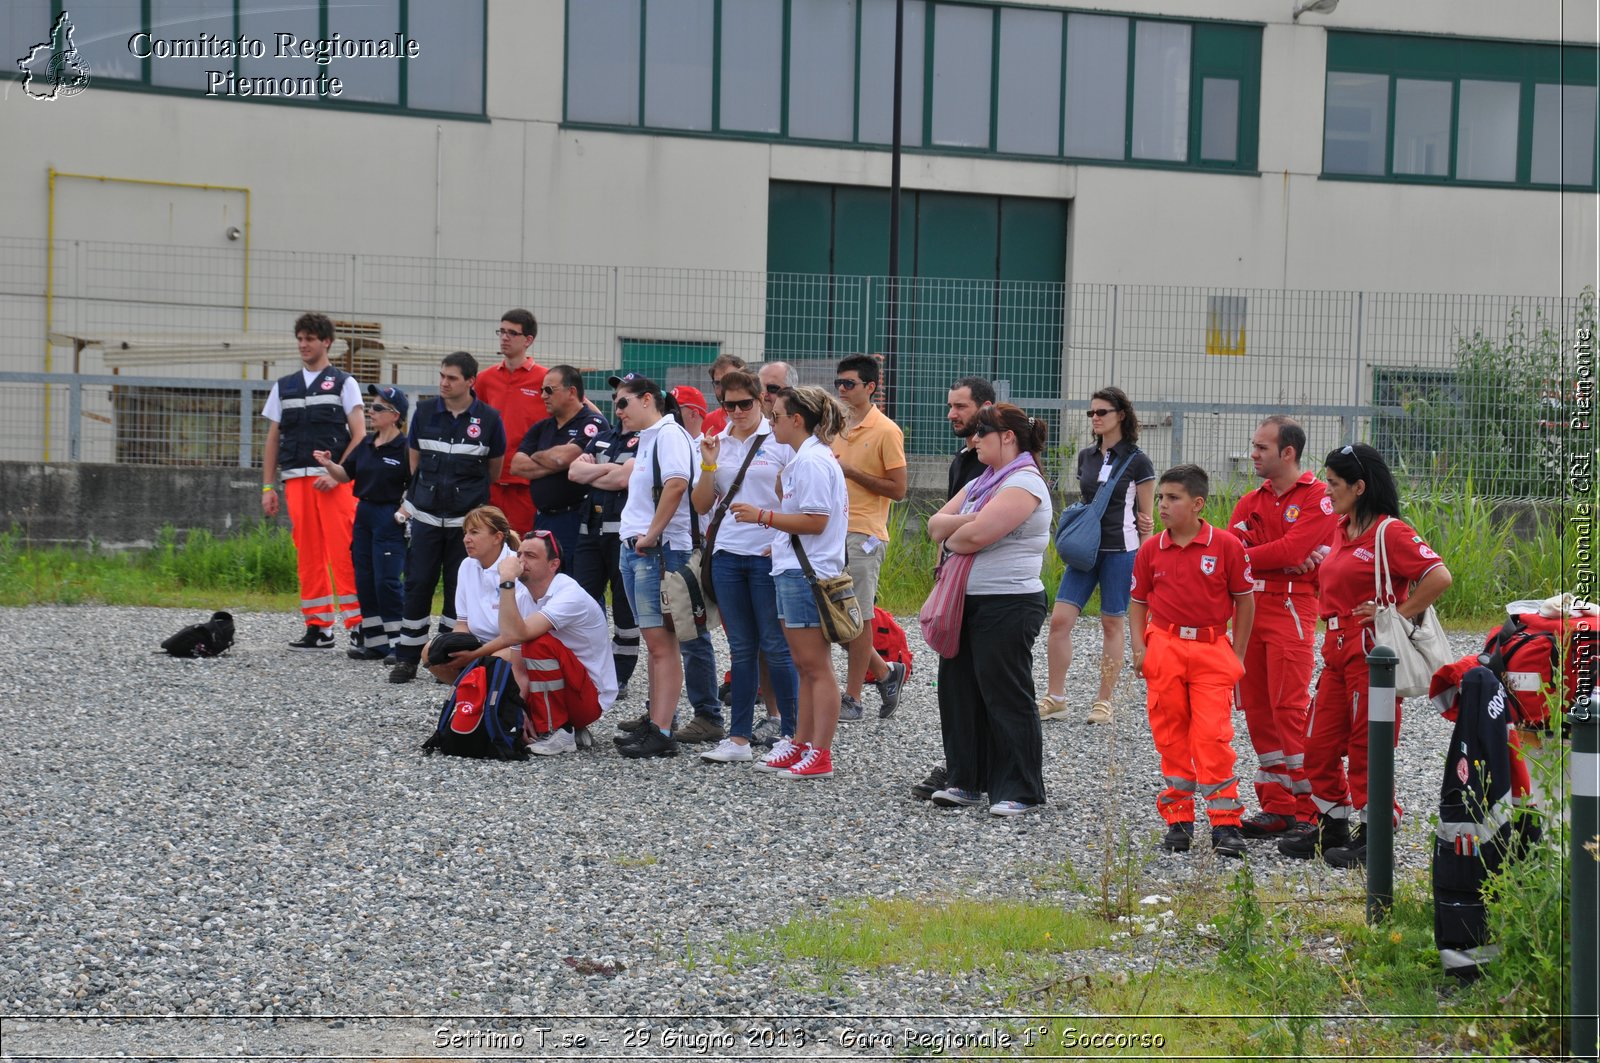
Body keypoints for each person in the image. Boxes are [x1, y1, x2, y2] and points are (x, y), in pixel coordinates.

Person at [1280, 442, 1452, 867]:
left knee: (1366, 747)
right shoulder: (1341, 530)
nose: (1326, 490)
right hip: (1336, 653)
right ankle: (1331, 825)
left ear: (1359, 487)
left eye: (1334, 483)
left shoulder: (1389, 532)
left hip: (1372, 655)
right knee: (1317, 745)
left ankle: (1376, 836)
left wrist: (1395, 613)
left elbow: (1439, 576)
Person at [924, 404, 1052, 816]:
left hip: (1008, 602)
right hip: (967, 600)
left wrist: (961, 527)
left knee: (1005, 694)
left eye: (983, 431)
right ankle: (966, 781)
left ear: (1008, 437)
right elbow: (933, 525)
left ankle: (1022, 789)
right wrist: (966, 523)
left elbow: (968, 537)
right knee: (959, 692)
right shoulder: (984, 481)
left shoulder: (1026, 482)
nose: (974, 438)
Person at [1128, 464, 1256, 858]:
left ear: (1198, 504)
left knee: (1212, 736)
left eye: (1173, 498)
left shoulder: (1226, 547)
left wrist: (1237, 654)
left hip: (1210, 650)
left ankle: (1225, 824)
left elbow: (1244, 601)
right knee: (1170, 734)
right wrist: (1140, 648)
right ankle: (1179, 820)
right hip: (1164, 646)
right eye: (1161, 497)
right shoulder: (1151, 549)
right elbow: (1138, 601)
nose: (1162, 505)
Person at [1227, 416, 1337, 839]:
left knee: (1289, 709)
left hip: (1292, 605)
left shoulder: (1317, 497)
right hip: (1251, 607)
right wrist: (1274, 555)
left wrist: (1260, 554)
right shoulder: (1250, 500)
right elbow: (1232, 549)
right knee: (1255, 709)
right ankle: (1277, 806)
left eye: (1261, 448)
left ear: (1287, 453)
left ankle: (1311, 810)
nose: (1252, 454)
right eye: (1254, 446)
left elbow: (1293, 549)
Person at [732, 385, 848, 781]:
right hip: (795, 569)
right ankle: (801, 743)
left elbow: (817, 521)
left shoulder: (813, 462)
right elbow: (805, 522)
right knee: (804, 665)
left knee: (815, 666)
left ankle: (820, 752)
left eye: (776, 416)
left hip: (807, 574)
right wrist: (779, 544)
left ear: (797, 419)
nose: (772, 422)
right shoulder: (806, 460)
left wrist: (762, 517)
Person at [690, 369, 799, 764]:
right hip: (727, 554)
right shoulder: (715, 442)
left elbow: (796, 498)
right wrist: (707, 464)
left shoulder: (781, 441)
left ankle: (791, 734)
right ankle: (738, 739)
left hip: (768, 554)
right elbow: (702, 505)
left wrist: (781, 540)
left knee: (776, 646)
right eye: (728, 404)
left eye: (744, 403)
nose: (736, 411)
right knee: (740, 648)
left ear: (761, 400)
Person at [1039, 387, 1156, 726]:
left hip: (1121, 551)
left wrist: (1147, 560)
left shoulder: (1139, 460)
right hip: (1086, 551)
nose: (1095, 418)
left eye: (1102, 412)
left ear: (1121, 415)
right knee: (1060, 620)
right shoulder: (1086, 457)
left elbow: (1146, 518)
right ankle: (1056, 697)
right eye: (1092, 413)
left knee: (1111, 623)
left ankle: (1104, 701)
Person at [389, 352, 507, 684]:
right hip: (425, 519)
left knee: (460, 590)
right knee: (417, 585)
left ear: (471, 381)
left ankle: (445, 659)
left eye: (452, 377)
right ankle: (408, 658)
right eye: (442, 375)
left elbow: (493, 471)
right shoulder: (424, 412)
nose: (444, 382)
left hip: (465, 525)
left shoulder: (489, 419)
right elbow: (415, 462)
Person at [911, 375, 996, 802]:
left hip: (986, 586)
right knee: (953, 680)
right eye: (950, 406)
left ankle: (973, 770)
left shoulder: (997, 466)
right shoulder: (963, 460)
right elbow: (940, 529)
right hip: (954, 576)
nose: (951, 414)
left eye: (960, 407)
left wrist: (948, 535)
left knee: (979, 683)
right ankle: (961, 764)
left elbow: (979, 529)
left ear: (985, 408)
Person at [260, 311, 366, 649]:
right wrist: (267, 486)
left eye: (310, 339)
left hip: (334, 483)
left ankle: (361, 625)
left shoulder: (343, 383)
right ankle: (319, 626)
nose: (303, 345)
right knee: (307, 552)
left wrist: (338, 474)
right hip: (295, 482)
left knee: (343, 551)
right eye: (300, 339)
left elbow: (360, 435)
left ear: (326, 343)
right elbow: (273, 438)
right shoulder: (284, 386)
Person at [610, 375, 703, 760]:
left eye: (623, 403)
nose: (618, 411)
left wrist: (651, 534)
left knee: (662, 646)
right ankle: (658, 719)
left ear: (647, 399)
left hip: (658, 552)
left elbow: (678, 484)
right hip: (639, 550)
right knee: (655, 645)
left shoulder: (669, 434)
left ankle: (663, 731)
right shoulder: (651, 437)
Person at [484, 529, 619, 756]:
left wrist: (507, 580)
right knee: (500, 670)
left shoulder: (569, 593)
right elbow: (518, 666)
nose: (521, 561)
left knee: (536, 643)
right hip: (568, 690)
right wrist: (520, 710)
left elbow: (518, 633)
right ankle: (565, 728)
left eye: (531, 556)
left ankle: (559, 730)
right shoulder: (524, 596)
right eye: (520, 555)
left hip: (590, 699)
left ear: (553, 564)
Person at [830, 354, 909, 721]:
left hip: (864, 532)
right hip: (829, 529)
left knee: (857, 615)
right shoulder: (835, 425)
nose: (842, 390)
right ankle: (885, 671)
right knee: (831, 615)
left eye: (850, 384)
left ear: (871, 387)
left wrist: (852, 472)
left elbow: (898, 489)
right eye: (839, 384)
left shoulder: (886, 430)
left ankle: (854, 697)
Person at [312, 384, 410, 661]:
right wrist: (330, 465)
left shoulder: (405, 448)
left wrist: (404, 512)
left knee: (387, 581)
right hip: (364, 513)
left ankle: (398, 644)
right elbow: (346, 475)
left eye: (378, 407)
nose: (371, 411)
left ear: (395, 415)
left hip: (389, 516)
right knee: (365, 579)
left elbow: (417, 484)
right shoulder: (366, 444)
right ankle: (376, 643)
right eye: (371, 406)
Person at [567, 411, 642, 693]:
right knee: (582, 604)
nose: (620, 408)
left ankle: (619, 676)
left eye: (626, 401)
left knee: (625, 610)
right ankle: (584, 670)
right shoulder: (601, 438)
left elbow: (625, 480)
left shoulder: (646, 440)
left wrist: (594, 472)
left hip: (622, 535)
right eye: (617, 401)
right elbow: (574, 472)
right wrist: (610, 470)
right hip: (590, 532)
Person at [423, 505, 535, 686]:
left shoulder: (517, 567)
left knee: (491, 663)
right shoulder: (467, 565)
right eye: (465, 533)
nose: (466, 539)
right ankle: (469, 695)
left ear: (497, 537)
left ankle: (491, 700)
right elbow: (462, 623)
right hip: (478, 641)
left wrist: (476, 655)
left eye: (474, 532)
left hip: (514, 644)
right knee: (431, 651)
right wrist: (454, 646)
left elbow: (517, 635)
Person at [510, 364, 608, 568]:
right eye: (541, 390)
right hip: (544, 519)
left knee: (575, 579)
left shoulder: (592, 423)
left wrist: (541, 457)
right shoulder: (542, 427)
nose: (543, 396)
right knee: (542, 580)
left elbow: (564, 458)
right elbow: (517, 466)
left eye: (549, 390)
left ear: (571, 391)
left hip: (576, 518)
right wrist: (558, 459)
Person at [474, 309, 547, 536]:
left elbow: (579, 407)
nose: (505, 337)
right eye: (502, 331)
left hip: (525, 481)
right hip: (491, 478)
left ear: (528, 340)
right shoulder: (485, 379)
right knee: (487, 543)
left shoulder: (545, 378)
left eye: (512, 333)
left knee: (521, 545)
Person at [699, 353, 748, 439]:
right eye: (718, 383)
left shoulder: (765, 423)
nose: (723, 390)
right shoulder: (707, 422)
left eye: (730, 381)